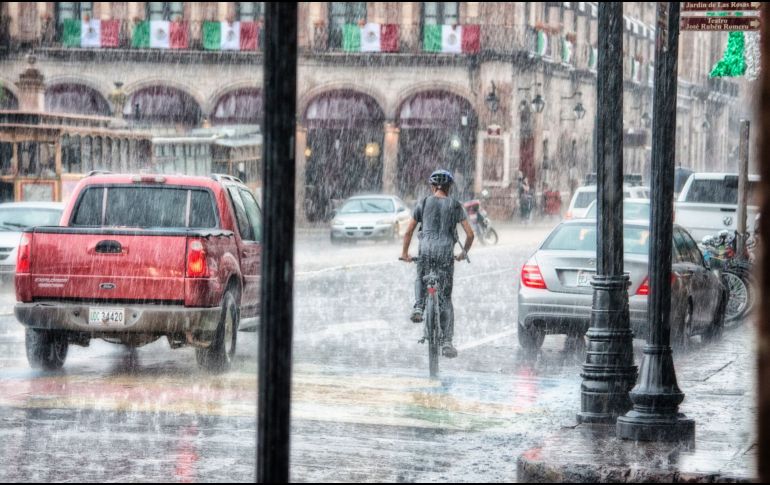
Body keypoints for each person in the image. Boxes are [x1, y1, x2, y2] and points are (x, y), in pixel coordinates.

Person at [400, 169, 474, 359]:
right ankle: (447, 341)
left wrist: (405, 253)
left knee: (421, 276)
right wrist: (463, 253)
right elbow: (470, 234)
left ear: (432, 187)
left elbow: (408, 232)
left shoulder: (424, 203)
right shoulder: (455, 205)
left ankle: (419, 306)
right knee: (446, 298)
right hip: (445, 254)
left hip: (426, 251)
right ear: (449, 187)